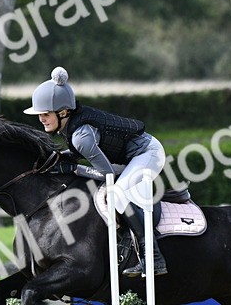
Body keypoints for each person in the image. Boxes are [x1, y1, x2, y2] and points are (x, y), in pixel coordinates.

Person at [24, 66, 167, 277]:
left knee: (116, 193)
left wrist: (74, 168)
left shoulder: (81, 137)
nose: (41, 119)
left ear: (63, 112)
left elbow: (107, 176)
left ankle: (153, 257)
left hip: (148, 154)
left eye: (45, 114)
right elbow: (78, 153)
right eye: (39, 114)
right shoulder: (71, 127)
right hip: (130, 157)